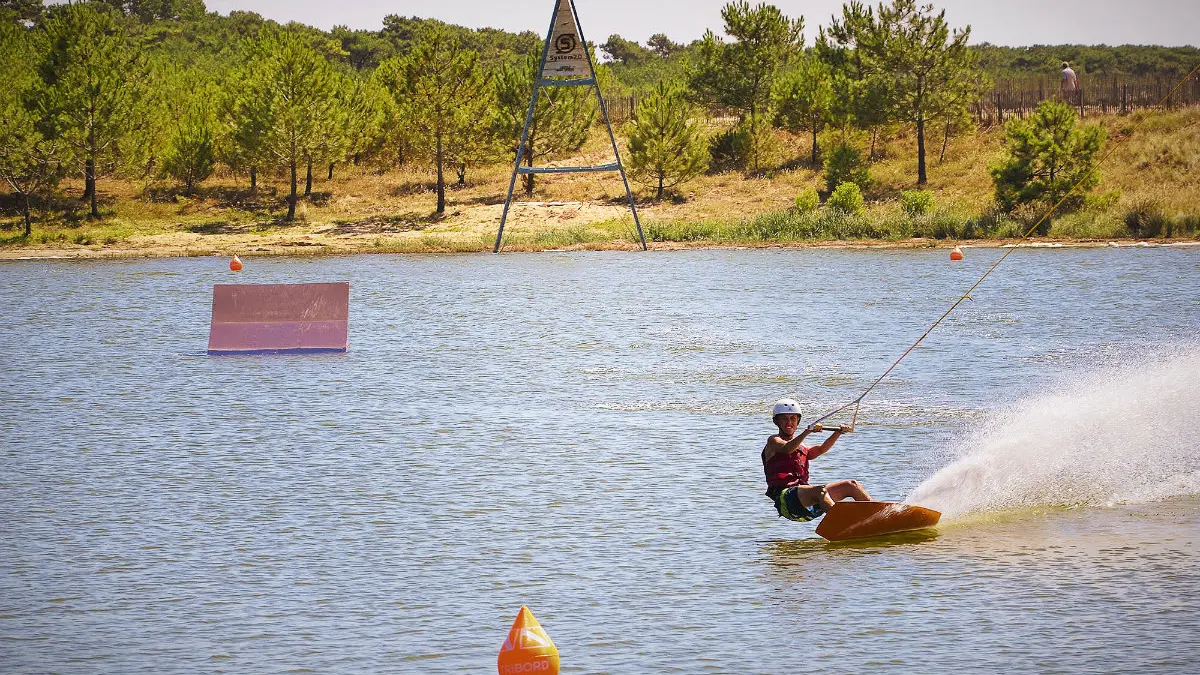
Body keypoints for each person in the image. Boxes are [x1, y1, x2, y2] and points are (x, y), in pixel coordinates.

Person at [762, 399, 871, 522]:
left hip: (808, 503)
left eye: (793, 418)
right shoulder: (773, 441)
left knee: (852, 485)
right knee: (820, 491)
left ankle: (875, 516)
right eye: (784, 419)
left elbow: (821, 449)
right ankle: (844, 523)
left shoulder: (802, 448)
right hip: (786, 501)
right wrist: (807, 431)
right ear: (776, 421)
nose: (789, 422)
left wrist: (838, 432)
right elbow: (787, 449)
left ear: (798, 421)